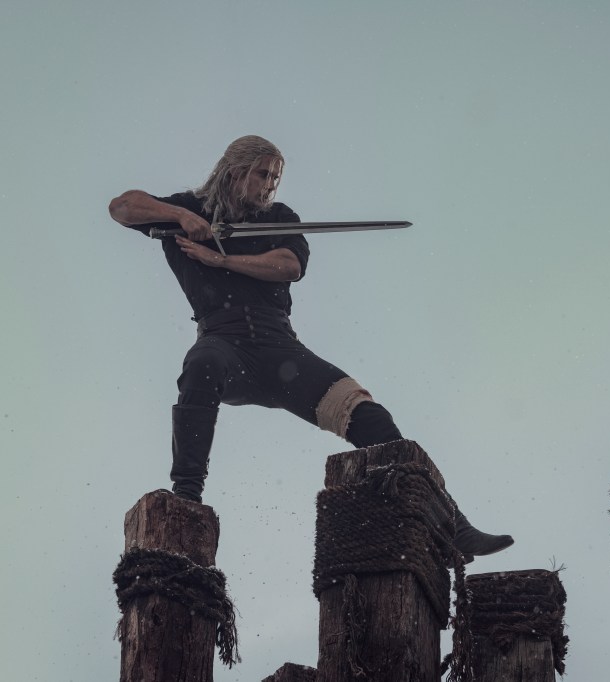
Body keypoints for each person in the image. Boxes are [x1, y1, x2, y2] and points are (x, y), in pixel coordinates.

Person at [108, 135, 512, 561]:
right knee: (202, 364)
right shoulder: (186, 210)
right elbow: (121, 207)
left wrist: (220, 260)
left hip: (281, 351)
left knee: (368, 414)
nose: (270, 184)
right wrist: (180, 216)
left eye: (275, 177)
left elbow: (289, 266)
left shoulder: (279, 217)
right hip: (225, 344)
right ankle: (187, 494)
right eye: (263, 174)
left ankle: (452, 525)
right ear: (235, 171)